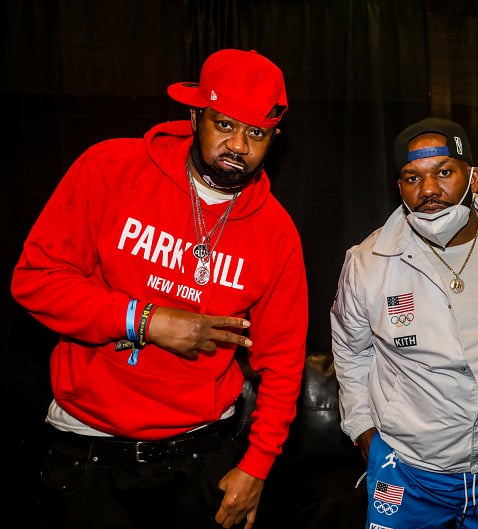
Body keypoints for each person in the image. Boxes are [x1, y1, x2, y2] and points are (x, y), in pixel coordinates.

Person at [11, 48, 308, 529]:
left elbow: (285, 358)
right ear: (195, 115)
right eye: (225, 125)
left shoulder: (276, 232)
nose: (238, 145)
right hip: (89, 448)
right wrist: (144, 320)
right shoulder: (111, 168)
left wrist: (257, 465)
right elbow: (35, 281)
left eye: (257, 133)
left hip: (203, 453)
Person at [330, 117, 478, 529]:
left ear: (473, 177)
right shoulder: (367, 262)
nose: (428, 190)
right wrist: (363, 432)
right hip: (410, 469)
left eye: (443, 172)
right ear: (400, 186)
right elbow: (350, 354)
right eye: (412, 178)